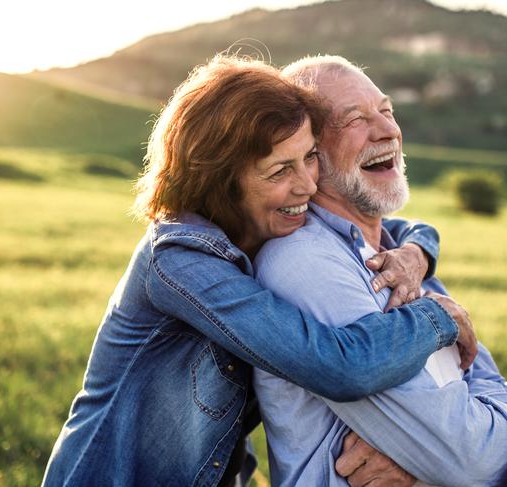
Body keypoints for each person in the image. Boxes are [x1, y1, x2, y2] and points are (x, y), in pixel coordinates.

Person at [41, 55, 475, 487]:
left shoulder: (263, 225)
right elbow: (339, 367)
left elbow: (393, 228)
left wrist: (418, 251)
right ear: (221, 181)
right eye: (280, 170)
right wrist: (440, 318)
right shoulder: (178, 261)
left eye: (308, 157)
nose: (306, 184)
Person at [254, 55, 507, 487]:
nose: (388, 130)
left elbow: (478, 379)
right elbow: (472, 459)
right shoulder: (306, 264)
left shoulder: (400, 257)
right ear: (308, 152)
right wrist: (443, 454)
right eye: (355, 119)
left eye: (386, 111)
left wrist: (428, 457)